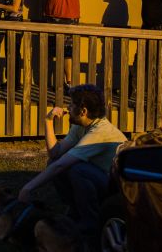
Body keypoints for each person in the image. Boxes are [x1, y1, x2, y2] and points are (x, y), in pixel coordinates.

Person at [18, 84, 126, 249]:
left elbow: (61, 165)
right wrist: (48, 122)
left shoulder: (100, 132)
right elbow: (56, 155)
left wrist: (28, 188)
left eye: (72, 104)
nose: (68, 107)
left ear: (83, 111)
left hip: (115, 190)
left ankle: (90, 221)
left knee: (76, 169)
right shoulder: (80, 126)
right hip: (98, 178)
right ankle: (76, 211)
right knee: (55, 164)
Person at [39, 0, 81, 93]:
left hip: (67, 18)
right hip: (50, 17)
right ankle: (52, 82)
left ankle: (68, 82)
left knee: (66, 52)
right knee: (51, 51)